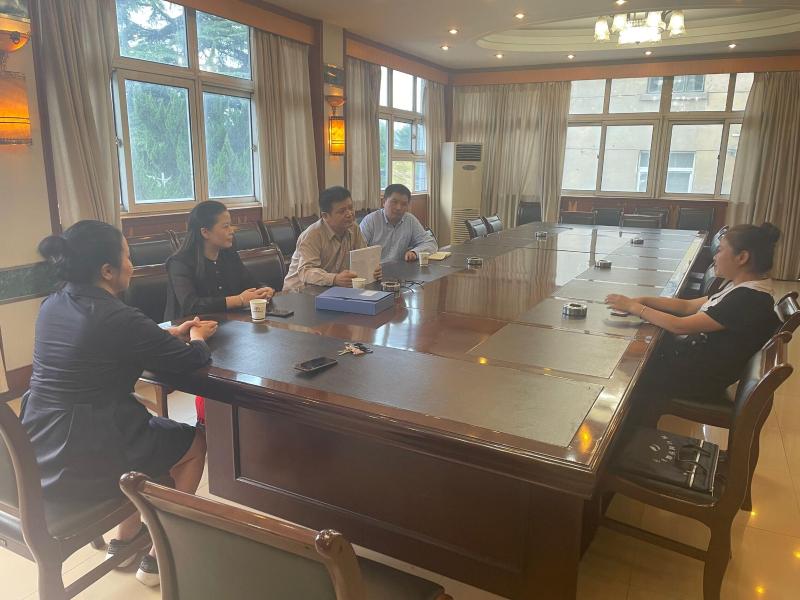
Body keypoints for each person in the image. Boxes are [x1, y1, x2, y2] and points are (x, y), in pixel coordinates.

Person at [22, 220, 217, 588]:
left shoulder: (54, 303)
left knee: (145, 434)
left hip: (42, 447)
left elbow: (103, 345)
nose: (132, 264)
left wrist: (166, 334)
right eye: (127, 256)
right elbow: (191, 360)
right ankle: (160, 554)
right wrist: (196, 335)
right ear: (107, 270)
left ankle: (123, 542)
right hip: (88, 452)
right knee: (194, 443)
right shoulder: (116, 316)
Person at [605, 223, 782, 402]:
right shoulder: (740, 286)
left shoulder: (748, 299)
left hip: (695, 379)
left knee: (623, 367)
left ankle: (630, 414)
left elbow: (679, 326)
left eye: (720, 250)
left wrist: (634, 308)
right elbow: (687, 306)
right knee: (629, 351)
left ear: (742, 257)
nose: (715, 256)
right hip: (693, 362)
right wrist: (644, 300)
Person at [165, 201, 273, 425]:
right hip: (193, 333)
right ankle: (212, 422)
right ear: (205, 232)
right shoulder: (180, 262)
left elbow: (250, 282)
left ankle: (249, 422)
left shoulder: (227, 253)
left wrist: (264, 289)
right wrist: (238, 300)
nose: (232, 230)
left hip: (231, 330)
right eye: (225, 226)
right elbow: (191, 305)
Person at [283, 186, 382, 291]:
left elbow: (363, 257)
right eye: (342, 211)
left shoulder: (353, 228)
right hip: (299, 292)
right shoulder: (312, 235)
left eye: (350, 208)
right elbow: (306, 271)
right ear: (325, 216)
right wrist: (334, 279)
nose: (349, 214)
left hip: (331, 289)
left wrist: (374, 270)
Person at [359, 183, 437, 263]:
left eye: (404, 204)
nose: (398, 208)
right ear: (384, 202)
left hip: (401, 269)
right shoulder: (370, 221)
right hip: (375, 269)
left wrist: (414, 252)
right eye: (394, 202)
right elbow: (357, 251)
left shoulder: (410, 220)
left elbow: (430, 243)